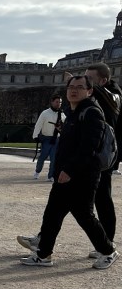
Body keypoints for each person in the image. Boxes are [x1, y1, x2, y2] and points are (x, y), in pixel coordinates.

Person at [18, 75, 118, 270]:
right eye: (71, 86)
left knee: (84, 215)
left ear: (89, 91)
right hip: (66, 173)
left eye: (79, 87)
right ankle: (43, 254)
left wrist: (70, 170)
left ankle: (108, 251)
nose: (74, 90)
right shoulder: (73, 112)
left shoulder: (91, 112)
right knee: (52, 214)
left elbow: (89, 147)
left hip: (83, 174)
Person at [84, 63, 121, 249]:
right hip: (91, 152)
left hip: (104, 156)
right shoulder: (95, 95)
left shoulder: (114, 94)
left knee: (102, 198)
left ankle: (108, 242)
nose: (85, 83)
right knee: (65, 195)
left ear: (103, 80)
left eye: (89, 79)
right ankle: (44, 238)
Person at [31, 93, 63, 181]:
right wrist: (35, 136)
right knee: (42, 157)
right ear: (52, 102)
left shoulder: (62, 115)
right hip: (46, 139)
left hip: (56, 139)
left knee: (54, 159)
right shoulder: (45, 113)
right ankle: (37, 171)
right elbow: (38, 125)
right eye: (57, 102)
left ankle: (51, 176)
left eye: (60, 102)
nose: (59, 104)